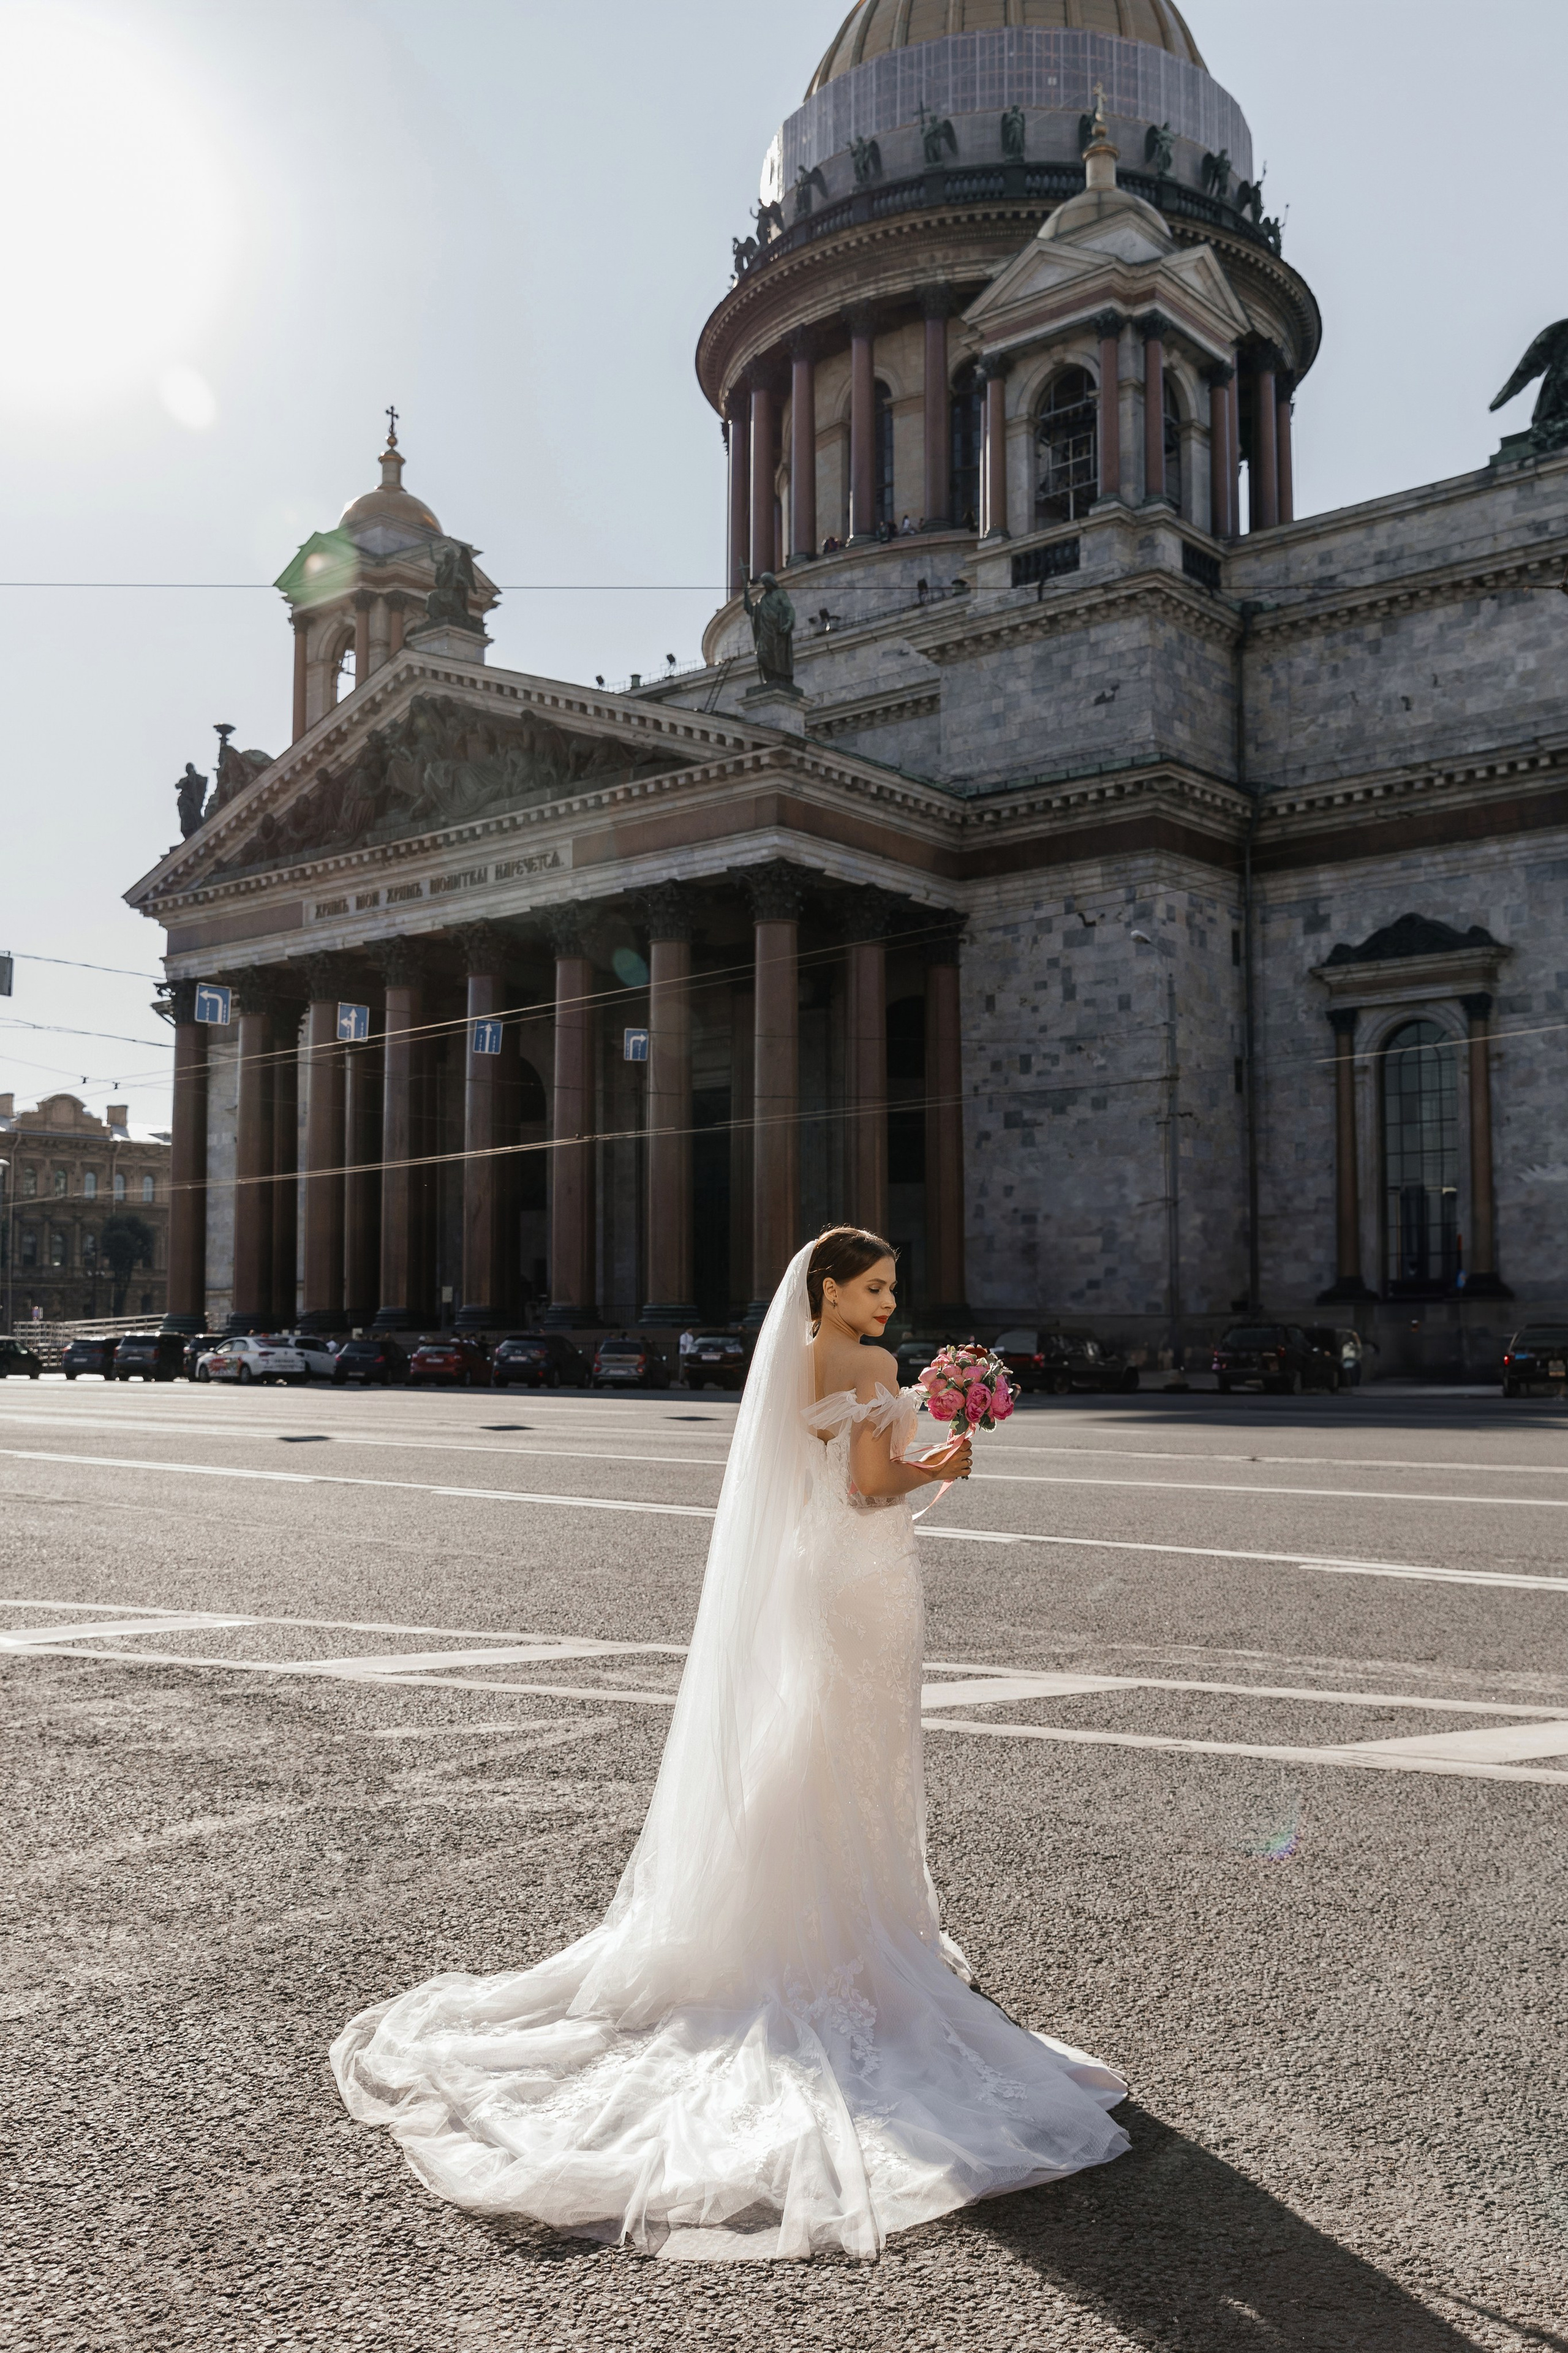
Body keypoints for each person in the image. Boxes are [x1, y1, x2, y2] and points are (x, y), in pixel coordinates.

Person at [331, 1226, 1128, 2259]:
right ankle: (846, 1925)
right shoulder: (871, 1364)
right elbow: (870, 1486)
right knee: (850, 1750)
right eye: (875, 1286)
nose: (890, 1302)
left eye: (894, 1287)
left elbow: (816, 1479)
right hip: (862, 1578)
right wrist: (944, 1456)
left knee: (805, 1742)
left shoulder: (791, 1360)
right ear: (830, 1289)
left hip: (812, 1578)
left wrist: (919, 1443)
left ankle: (773, 1915)